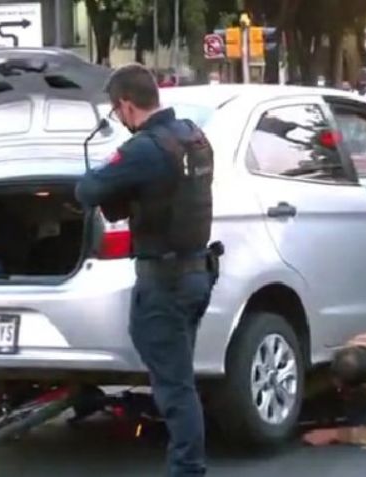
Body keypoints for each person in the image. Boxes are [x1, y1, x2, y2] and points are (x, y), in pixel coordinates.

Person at [75, 63, 217, 476]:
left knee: (174, 387)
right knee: (178, 376)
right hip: (195, 272)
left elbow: (89, 190)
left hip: (165, 281)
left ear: (124, 105)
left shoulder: (145, 148)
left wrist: (103, 179)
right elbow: (165, 193)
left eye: (117, 112)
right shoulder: (192, 135)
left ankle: (188, 470)